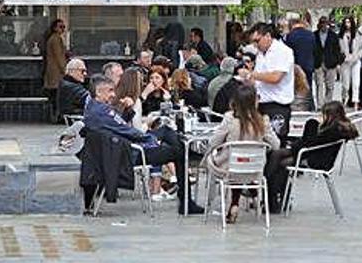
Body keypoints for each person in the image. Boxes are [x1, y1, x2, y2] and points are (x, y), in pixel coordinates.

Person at [82, 74, 204, 215]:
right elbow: (128, 131)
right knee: (180, 151)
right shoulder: (102, 111)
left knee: (167, 133)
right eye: (110, 91)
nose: (113, 94)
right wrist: (150, 140)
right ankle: (186, 201)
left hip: (119, 149)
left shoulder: (93, 108)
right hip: (130, 153)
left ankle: (184, 158)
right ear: (98, 92)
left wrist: (128, 111)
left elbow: (117, 127)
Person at [205, 84, 280, 224]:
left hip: (228, 169)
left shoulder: (229, 119)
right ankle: (253, 194)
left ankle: (234, 204)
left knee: (228, 163)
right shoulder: (263, 121)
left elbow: (214, 141)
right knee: (243, 164)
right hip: (255, 169)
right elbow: (276, 145)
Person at [265, 101, 358, 213]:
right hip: (312, 154)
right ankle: (274, 196)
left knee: (280, 160)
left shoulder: (332, 131)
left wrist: (312, 124)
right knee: (276, 155)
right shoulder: (339, 129)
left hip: (315, 159)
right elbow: (310, 143)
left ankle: (269, 191)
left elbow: (309, 143)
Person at [248, 23, 295, 141]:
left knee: (276, 142)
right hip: (262, 103)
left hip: (277, 104)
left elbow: (275, 77)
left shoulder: (282, 51)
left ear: (267, 36)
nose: (255, 45)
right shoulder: (260, 54)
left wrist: (252, 74)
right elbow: (259, 77)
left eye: (257, 41)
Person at [285, 14, 317, 110]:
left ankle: (298, 105)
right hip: (309, 64)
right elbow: (315, 50)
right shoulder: (311, 35)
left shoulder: (290, 36)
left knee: (296, 86)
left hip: (296, 66)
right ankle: (310, 105)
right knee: (309, 85)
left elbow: (288, 52)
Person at [313, 16, 341, 106]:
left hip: (331, 63)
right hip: (318, 63)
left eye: (325, 23)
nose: (324, 25)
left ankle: (328, 103)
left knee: (330, 86)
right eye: (322, 23)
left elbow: (337, 50)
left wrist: (337, 62)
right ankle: (320, 104)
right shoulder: (314, 35)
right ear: (319, 24)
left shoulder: (333, 36)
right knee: (319, 84)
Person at [43, 19, 68, 118]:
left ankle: (56, 115)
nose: (63, 29)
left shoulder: (55, 38)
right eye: (60, 27)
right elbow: (59, 56)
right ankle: (57, 115)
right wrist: (64, 69)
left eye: (63, 27)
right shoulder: (55, 39)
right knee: (56, 96)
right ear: (55, 28)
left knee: (54, 96)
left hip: (54, 71)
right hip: (56, 72)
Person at [339, 16, 362, 108]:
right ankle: (344, 98)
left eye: (349, 22)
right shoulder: (341, 35)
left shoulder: (358, 34)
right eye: (346, 22)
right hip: (345, 61)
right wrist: (342, 57)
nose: (347, 24)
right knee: (345, 84)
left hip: (356, 61)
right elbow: (338, 49)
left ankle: (355, 102)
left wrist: (357, 56)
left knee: (356, 83)